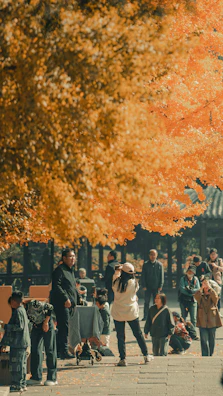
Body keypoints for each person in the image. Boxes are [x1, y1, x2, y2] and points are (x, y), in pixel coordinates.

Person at [111, 262, 153, 366]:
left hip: (119, 312)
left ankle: (123, 358)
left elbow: (115, 276)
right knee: (138, 334)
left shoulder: (116, 283)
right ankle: (146, 355)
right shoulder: (134, 283)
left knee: (120, 336)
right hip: (131, 312)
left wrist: (118, 270)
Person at [0, 291, 30, 393]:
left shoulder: (18, 311)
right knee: (22, 364)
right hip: (23, 341)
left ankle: (17, 384)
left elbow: (19, 327)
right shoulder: (23, 310)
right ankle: (22, 384)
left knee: (16, 364)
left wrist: (6, 326)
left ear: (13, 301)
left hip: (18, 342)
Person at [51, 248, 78, 359]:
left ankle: (59, 350)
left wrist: (78, 298)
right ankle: (63, 351)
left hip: (70, 304)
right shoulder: (60, 270)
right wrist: (65, 298)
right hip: (62, 304)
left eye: (73, 256)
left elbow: (72, 287)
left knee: (64, 327)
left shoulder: (70, 270)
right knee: (63, 327)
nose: (73, 259)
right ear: (64, 258)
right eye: (70, 256)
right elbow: (56, 286)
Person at [26, 300, 57, 386]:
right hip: (36, 326)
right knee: (35, 349)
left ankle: (52, 377)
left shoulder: (34, 304)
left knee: (49, 349)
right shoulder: (22, 310)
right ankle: (36, 377)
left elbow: (50, 307)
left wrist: (46, 322)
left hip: (46, 323)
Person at [194, 279, 222, 356]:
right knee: (203, 339)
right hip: (202, 319)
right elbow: (196, 297)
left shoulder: (213, 293)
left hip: (212, 320)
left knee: (211, 339)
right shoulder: (200, 294)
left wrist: (210, 288)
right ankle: (205, 354)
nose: (205, 287)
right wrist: (201, 288)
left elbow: (215, 299)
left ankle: (211, 354)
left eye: (207, 285)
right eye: (204, 285)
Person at [141, 249, 164, 321]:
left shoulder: (159, 265)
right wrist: (144, 285)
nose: (153, 256)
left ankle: (155, 315)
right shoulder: (146, 264)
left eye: (154, 255)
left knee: (156, 302)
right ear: (149, 255)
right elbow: (143, 276)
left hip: (156, 287)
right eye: (151, 254)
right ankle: (146, 316)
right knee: (146, 302)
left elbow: (161, 276)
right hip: (147, 287)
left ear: (156, 255)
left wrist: (160, 285)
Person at [207, 248, 223, 312]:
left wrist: (216, 266)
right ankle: (211, 310)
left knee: (218, 296)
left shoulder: (219, 261)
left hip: (217, 281)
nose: (212, 256)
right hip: (210, 281)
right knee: (210, 295)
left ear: (216, 255)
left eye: (214, 254)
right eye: (211, 254)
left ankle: (218, 310)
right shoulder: (207, 261)